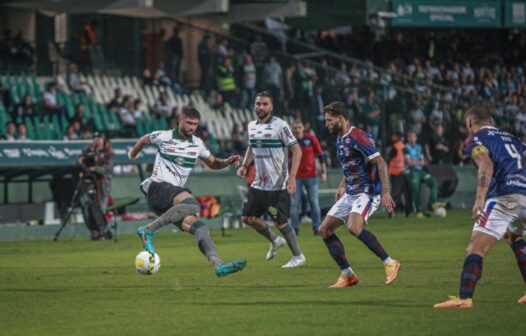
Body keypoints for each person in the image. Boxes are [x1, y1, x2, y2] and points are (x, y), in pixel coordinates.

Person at [128, 106, 246, 278]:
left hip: (170, 203)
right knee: (192, 204)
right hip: (158, 187)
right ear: (180, 120)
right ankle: (148, 230)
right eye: (189, 123)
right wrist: (133, 154)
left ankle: (218, 264)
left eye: (195, 124)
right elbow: (144, 139)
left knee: (200, 228)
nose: (192, 127)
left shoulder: (197, 144)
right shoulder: (165, 136)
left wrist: (226, 162)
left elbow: (212, 163)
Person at [434, 103, 526, 308]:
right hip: (524, 197)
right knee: (513, 236)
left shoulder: (476, 138)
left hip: (503, 199)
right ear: (491, 121)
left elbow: (485, 164)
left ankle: (464, 298)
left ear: (469, 122)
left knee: (475, 247)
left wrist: (479, 199)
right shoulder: (514, 139)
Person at [318, 101, 400, 288]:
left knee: (354, 228)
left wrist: (386, 192)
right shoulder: (340, 138)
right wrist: (341, 185)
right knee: (324, 230)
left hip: (366, 192)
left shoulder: (358, 136)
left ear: (341, 119)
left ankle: (390, 262)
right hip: (351, 192)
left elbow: (380, 162)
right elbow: (351, 166)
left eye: (329, 120)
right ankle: (348, 275)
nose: (326, 124)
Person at [237, 91, 306, 268]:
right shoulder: (251, 125)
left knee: (281, 222)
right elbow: (251, 146)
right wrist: (245, 165)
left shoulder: (280, 125)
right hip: (259, 184)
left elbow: (297, 150)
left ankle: (298, 256)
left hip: (278, 185)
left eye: (265, 104)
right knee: (247, 218)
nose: (261, 107)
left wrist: (292, 177)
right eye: (258, 104)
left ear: (271, 107)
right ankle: (275, 240)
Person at [290, 120, 326, 235]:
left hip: (311, 176)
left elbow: (320, 155)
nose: (297, 130)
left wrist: (323, 171)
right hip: (295, 177)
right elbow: (284, 160)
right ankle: (294, 229)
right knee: (294, 204)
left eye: (299, 127)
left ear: (303, 128)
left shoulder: (311, 139)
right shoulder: (289, 142)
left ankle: (317, 228)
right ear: (292, 129)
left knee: (314, 202)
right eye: (295, 128)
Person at [77, 133, 114, 240]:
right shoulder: (91, 149)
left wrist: (95, 169)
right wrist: (83, 163)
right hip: (91, 182)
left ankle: (103, 232)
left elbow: (107, 170)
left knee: (100, 207)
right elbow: (81, 159)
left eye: (100, 138)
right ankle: (95, 232)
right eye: (96, 138)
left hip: (103, 183)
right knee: (90, 206)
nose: (97, 140)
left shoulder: (109, 153)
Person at [404, 131, 442, 217]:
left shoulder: (419, 147)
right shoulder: (406, 148)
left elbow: (423, 161)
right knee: (415, 189)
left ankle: (433, 202)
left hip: (420, 171)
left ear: (416, 138)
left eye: (414, 137)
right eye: (410, 137)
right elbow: (409, 163)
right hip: (411, 172)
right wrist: (418, 162)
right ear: (408, 138)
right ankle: (418, 211)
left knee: (432, 182)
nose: (412, 139)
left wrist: (418, 162)